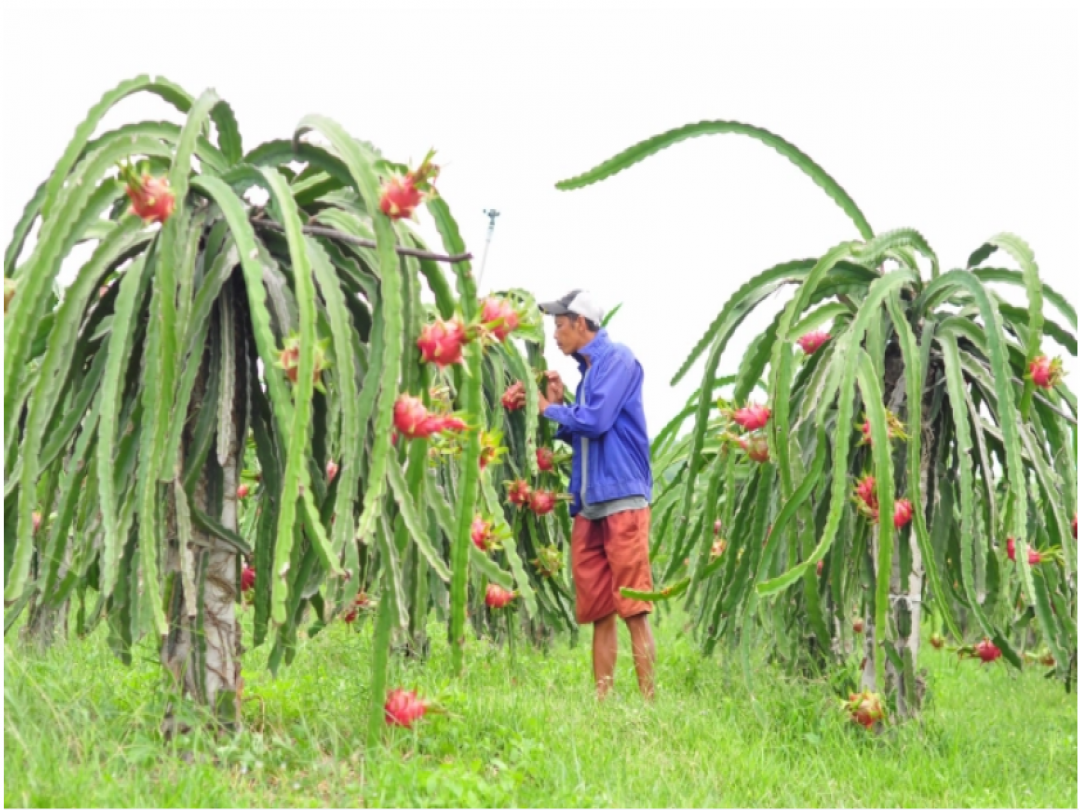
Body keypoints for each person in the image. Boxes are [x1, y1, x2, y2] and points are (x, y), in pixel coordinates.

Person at [505, 289, 655, 699]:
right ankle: (603, 703)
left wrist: (545, 408)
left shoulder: (619, 360)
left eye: (560, 325)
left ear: (583, 324)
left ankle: (650, 705)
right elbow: (584, 432)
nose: (554, 335)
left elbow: (597, 421)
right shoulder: (589, 373)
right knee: (599, 612)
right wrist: (556, 405)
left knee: (634, 610)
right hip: (588, 505)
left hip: (622, 499)